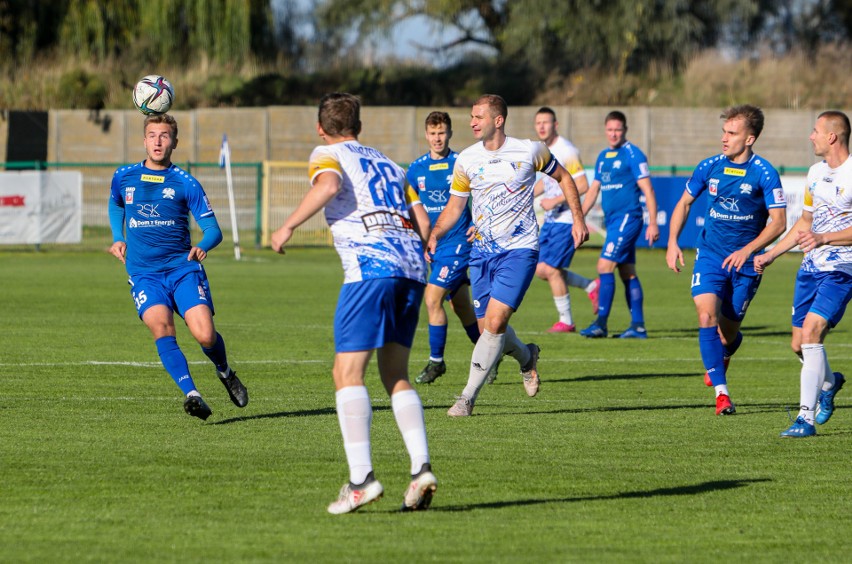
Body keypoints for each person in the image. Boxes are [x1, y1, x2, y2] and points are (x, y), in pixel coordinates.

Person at [270, 92, 438, 513]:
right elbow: (422, 221)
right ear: (358, 126)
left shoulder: (326, 153)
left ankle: (361, 479)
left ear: (321, 128)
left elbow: (329, 185)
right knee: (395, 373)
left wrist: (287, 226)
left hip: (371, 266)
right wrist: (424, 249)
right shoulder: (390, 163)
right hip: (412, 268)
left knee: (346, 372)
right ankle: (421, 470)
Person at [427, 94, 589, 417]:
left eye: (478, 117)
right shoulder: (467, 160)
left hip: (520, 250)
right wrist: (434, 234)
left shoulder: (529, 150)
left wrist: (579, 219)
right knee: (490, 327)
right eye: (471, 117)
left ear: (497, 120)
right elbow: (455, 206)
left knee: (497, 322)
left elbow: (565, 178)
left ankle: (466, 398)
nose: (472, 122)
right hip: (481, 254)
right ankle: (527, 357)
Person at [108, 114, 248, 422]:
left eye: (165, 135)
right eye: (152, 135)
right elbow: (116, 202)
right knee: (162, 328)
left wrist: (203, 245)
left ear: (175, 142)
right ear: (144, 140)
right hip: (144, 273)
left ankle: (225, 372)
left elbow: (213, 229)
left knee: (206, 336)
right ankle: (192, 395)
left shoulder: (186, 183)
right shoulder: (124, 176)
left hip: (182, 269)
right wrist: (119, 238)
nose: (158, 141)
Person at [667, 104, 787, 416]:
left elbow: (778, 222)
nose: (724, 138)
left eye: (731, 133)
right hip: (710, 255)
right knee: (705, 315)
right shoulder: (709, 166)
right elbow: (683, 204)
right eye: (724, 131)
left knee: (728, 332)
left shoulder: (764, 173)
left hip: (746, 264)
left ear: (749, 139)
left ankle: (727, 348)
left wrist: (749, 250)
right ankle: (723, 395)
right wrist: (672, 243)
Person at [754, 110, 852, 436]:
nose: (811, 136)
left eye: (815, 131)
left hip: (841, 269)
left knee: (811, 332)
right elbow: (805, 224)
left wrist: (825, 238)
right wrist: (772, 254)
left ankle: (805, 419)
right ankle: (830, 381)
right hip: (810, 267)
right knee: (799, 344)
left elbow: (822, 232)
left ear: (832, 137)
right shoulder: (814, 173)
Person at [406, 111, 481, 384]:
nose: (438, 138)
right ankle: (489, 354)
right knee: (462, 308)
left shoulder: (462, 162)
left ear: (449, 133)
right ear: (426, 135)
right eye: (433, 133)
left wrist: (480, 222)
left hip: (459, 243)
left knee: (432, 298)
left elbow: (483, 193)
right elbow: (410, 208)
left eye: (442, 133)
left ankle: (436, 362)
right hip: (434, 248)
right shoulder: (416, 169)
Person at [580, 111, 659, 339]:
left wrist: (653, 223)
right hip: (614, 221)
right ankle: (638, 326)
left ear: (625, 130)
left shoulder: (633, 155)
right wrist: (579, 218)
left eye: (618, 129)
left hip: (628, 218)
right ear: (605, 131)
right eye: (610, 130)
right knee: (627, 273)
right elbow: (594, 189)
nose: (613, 134)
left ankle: (601, 324)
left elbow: (648, 190)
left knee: (604, 267)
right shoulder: (603, 156)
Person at [533, 107, 599, 332]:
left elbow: (581, 185)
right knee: (539, 268)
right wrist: (525, 194)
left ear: (555, 125)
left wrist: (555, 202)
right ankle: (590, 285)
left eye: (546, 122)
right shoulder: (543, 151)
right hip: (551, 220)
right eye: (538, 122)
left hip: (566, 218)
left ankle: (567, 321)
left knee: (550, 269)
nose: (541, 126)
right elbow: (548, 182)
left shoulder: (566, 150)